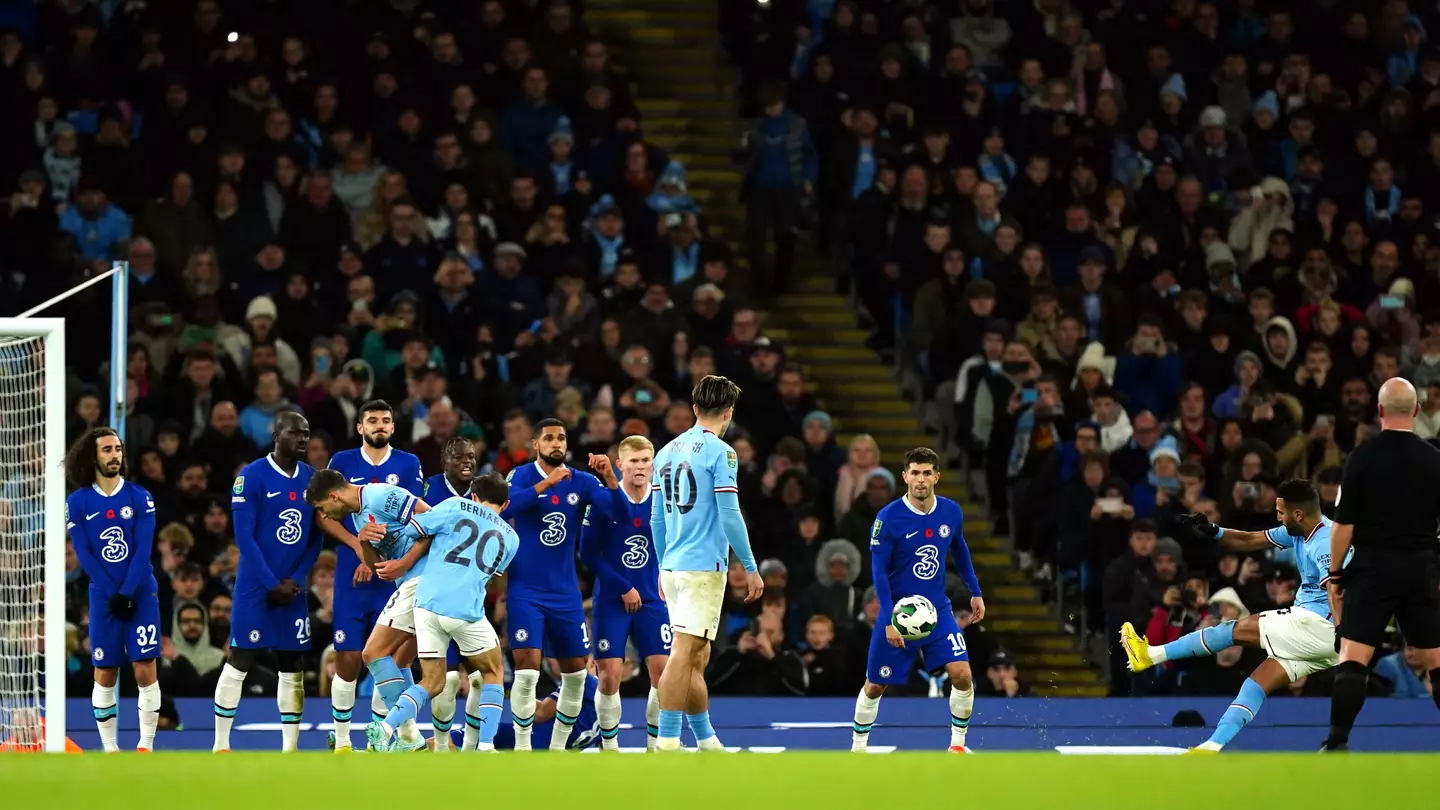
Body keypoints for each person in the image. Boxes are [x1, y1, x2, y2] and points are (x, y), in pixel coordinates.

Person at [1122, 479, 1350, 752]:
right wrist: (1213, 530)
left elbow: (1339, 590)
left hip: (1322, 626)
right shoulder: (1301, 532)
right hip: (1326, 641)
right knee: (1257, 683)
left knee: (1232, 629)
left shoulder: (1325, 542)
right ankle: (1212, 747)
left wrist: (1341, 630)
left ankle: (1151, 655)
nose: (1277, 516)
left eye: (1281, 512)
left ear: (1298, 514)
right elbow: (1249, 539)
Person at [1323, 378, 1440, 750]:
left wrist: (1335, 572)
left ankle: (1337, 743)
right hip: (1422, 568)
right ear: (1417, 412)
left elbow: (1343, 525)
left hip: (1373, 569)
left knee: (1354, 655)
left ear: (1379, 411)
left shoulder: (1363, 457)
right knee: (1436, 659)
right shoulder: (1435, 460)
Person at [365, 472, 517, 752]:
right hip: (464, 608)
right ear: (505, 505)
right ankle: (485, 746)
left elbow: (414, 530)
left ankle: (386, 726)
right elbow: (492, 574)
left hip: (425, 603)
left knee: (431, 681)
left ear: (473, 495)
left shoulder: (453, 505)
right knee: (493, 670)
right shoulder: (512, 538)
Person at [650, 375, 763, 751]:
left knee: (698, 652)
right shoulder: (722, 452)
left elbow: (657, 519)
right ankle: (666, 741)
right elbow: (730, 515)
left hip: (674, 565)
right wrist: (749, 566)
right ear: (728, 412)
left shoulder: (665, 452)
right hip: (702, 568)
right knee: (684, 652)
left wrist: (662, 568)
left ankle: (706, 738)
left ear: (695, 409)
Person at [852, 446, 985, 753]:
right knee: (875, 685)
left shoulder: (951, 512)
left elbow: (960, 551)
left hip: (937, 610)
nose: (921, 479)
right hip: (898, 614)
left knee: (962, 675)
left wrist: (975, 591)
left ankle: (958, 746)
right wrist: (887, 621)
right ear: (905, 477)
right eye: (915, 473)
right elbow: (879, 573)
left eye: (926, 473)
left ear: (936, 477)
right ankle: (857, 749)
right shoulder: (887, 519)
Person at [501, 417, 618, 750]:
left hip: (565, 593)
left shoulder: (580, 480)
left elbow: (616, 512)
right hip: (525, 590)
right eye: (549, 438)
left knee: (577, 674)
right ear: (535, 444)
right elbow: (505, 507)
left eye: (562, 438)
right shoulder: (520, 476)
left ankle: (557, 748)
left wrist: (609, 477)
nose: (557, 444)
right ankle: (523, 746)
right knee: (526, 666)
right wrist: (545, 484)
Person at [315, 400, 426, 751]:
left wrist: (386, 557)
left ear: (393, 427)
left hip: (396, 571)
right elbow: (325, 515)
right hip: (353, 571)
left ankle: (386, 732)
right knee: (348, 655)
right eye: (372, 420)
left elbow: (423, 519)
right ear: (360, 427)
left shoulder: (408, 463)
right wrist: (357, 547)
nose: (380, 425)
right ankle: (344, 739)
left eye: (386, 421)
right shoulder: (342, 463)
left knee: (390, 655)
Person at [304, 468, 435, 752]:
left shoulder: (382, 496)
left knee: (373, 653)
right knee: (399, 662)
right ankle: (411, 738)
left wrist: (404, 563)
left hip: (427, 580)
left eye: (321, 508)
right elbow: (378, 568)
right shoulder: (357, 515)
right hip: (411, 584)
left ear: (333, 496)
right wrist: (362, 542)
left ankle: (409, 737)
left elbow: (436, 523)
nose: (324, 515)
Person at [212, 412, 319, 753]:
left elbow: (316, 539)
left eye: (306, 433)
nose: (303, 439)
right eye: (295, 433)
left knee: (293, 663)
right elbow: (244, 538)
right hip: (256, 587)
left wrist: (297, 578)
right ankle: (221, 744)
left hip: (293, 588)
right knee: (240, 658)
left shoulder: (312, 479)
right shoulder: (251, 476)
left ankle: (290, 748)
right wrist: (272, 582)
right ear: (276, 434)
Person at [64, 427, 162, 752]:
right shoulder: (77, 502)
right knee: (104, 671)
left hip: (141, 591)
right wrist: (112, 593)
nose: (114, 455)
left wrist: (128, 590)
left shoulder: (139, 497)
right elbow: (84, 553)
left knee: (144, 665)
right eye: (107, 449)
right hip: (104, 595)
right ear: (93, 456)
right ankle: (110, 749)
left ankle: (145, 745)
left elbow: (143, 549)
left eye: (118, 449)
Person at [582, 435, 670, 750]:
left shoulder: (663, 501)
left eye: (646, 460)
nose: (641, 467)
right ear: (620, 465)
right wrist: (624, 586)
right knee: (610, 676)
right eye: (634, 461)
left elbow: (673, 547)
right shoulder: (603, 500)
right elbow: (588, 554)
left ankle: (655, 746)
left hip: (652, 599)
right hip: (611, 599)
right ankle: (610, 748)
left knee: (663, 674)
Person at [424, 437, 478, 502]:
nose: (466, 461)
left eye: (471, 457)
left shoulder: (484, 489)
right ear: (444, 465)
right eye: (458, 457)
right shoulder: (429, 487)